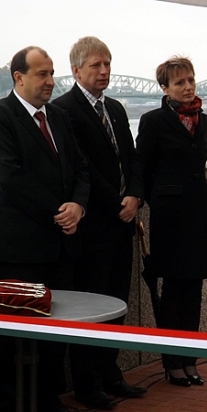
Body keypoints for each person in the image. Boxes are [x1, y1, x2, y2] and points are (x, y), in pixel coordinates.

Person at [52, 36, 146, 410]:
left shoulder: (117, 109)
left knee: (118, 302)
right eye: (96, 65)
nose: (104, 71)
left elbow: (132, 158)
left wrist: (135, 195)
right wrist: (116, 202)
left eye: (107, 64)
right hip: (93, 228)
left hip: (123, 225)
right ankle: (87, 384)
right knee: (92, 304)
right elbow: (83, 167)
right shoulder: (65, 110)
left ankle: (111, 373)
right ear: (76, 70)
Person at [0, 46, 89, 412]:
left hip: (62, 250)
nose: (51, 81)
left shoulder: (59, 118)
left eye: (52, 73)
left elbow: (80, 168)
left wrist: (78, 205)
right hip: (21, 252)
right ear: (18, 77)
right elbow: (10, 177)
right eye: (42, 74)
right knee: (16, 341)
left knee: (57, 336)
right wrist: (58, 212)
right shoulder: (3, 117)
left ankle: (50, 399)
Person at [136, 56, 207, 387]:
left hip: (200, 213)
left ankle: (189, 359)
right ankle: (172, 362)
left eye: (190, 80)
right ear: (165, 88)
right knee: (174, 290)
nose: (188, 87)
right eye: (179, 82)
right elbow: (143, 169)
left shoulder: (206, 121)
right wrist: (155, 201)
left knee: (194, 290)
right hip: (170, 219)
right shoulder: (153, 121)